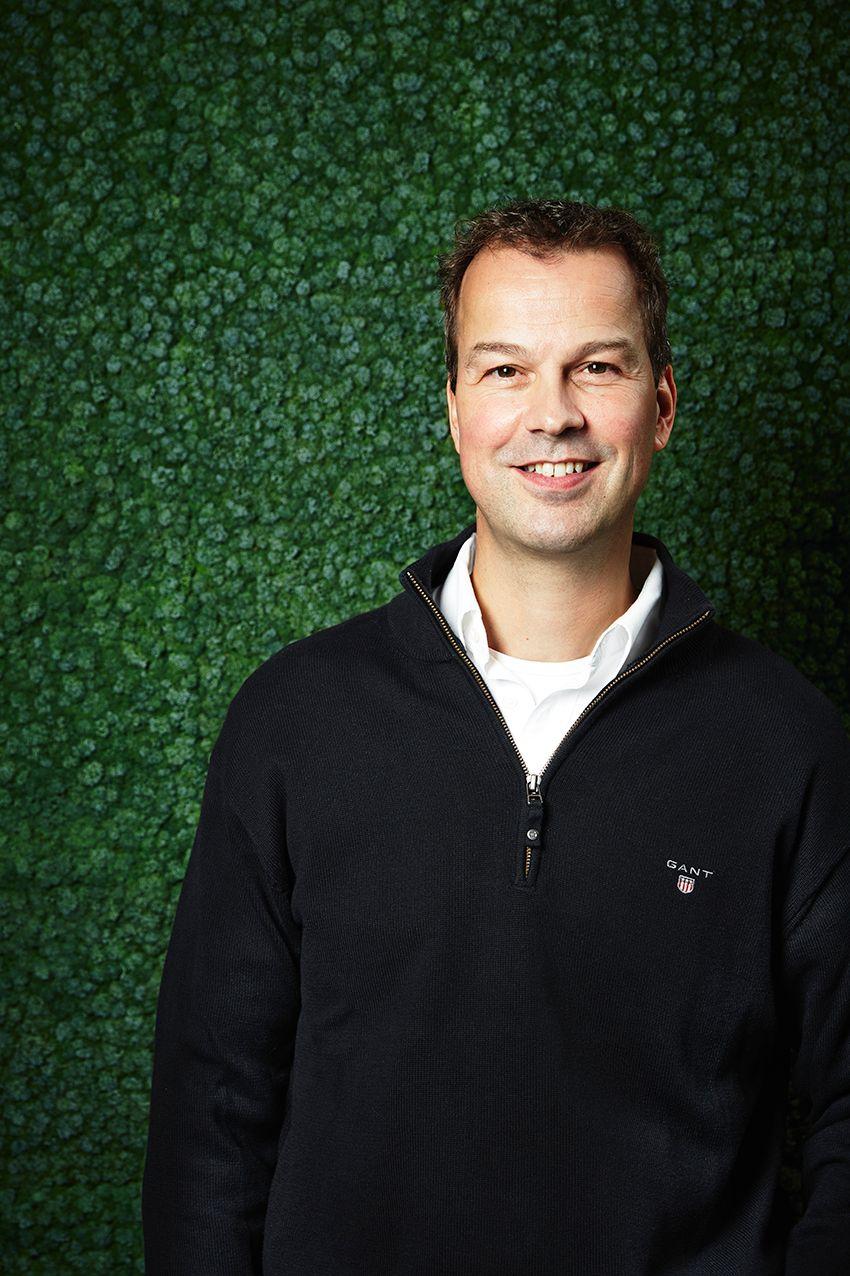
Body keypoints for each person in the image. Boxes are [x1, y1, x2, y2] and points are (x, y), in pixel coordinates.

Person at [141, 198, 850, 1275]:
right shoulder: (292, 720)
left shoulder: (785, 744)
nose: (550, 414)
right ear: (453, 407)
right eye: (505, 370)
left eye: (596, 368)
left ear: (660, 405)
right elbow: (212, 1115)